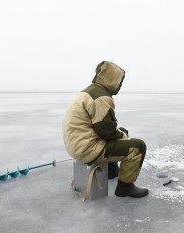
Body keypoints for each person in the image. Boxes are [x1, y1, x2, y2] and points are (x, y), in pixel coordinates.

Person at [62, 61, 149, 198]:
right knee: (138, 147)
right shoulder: (101, 96)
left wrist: (120, 133)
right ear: (112, 79)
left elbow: (103, 127)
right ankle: (125, 188)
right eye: (119, 81)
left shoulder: (88, 92)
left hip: (77, 144)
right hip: (87, 149)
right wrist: (123, 136)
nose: (120, 85)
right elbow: (107, 131)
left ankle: (111, 172)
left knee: (121, 133)